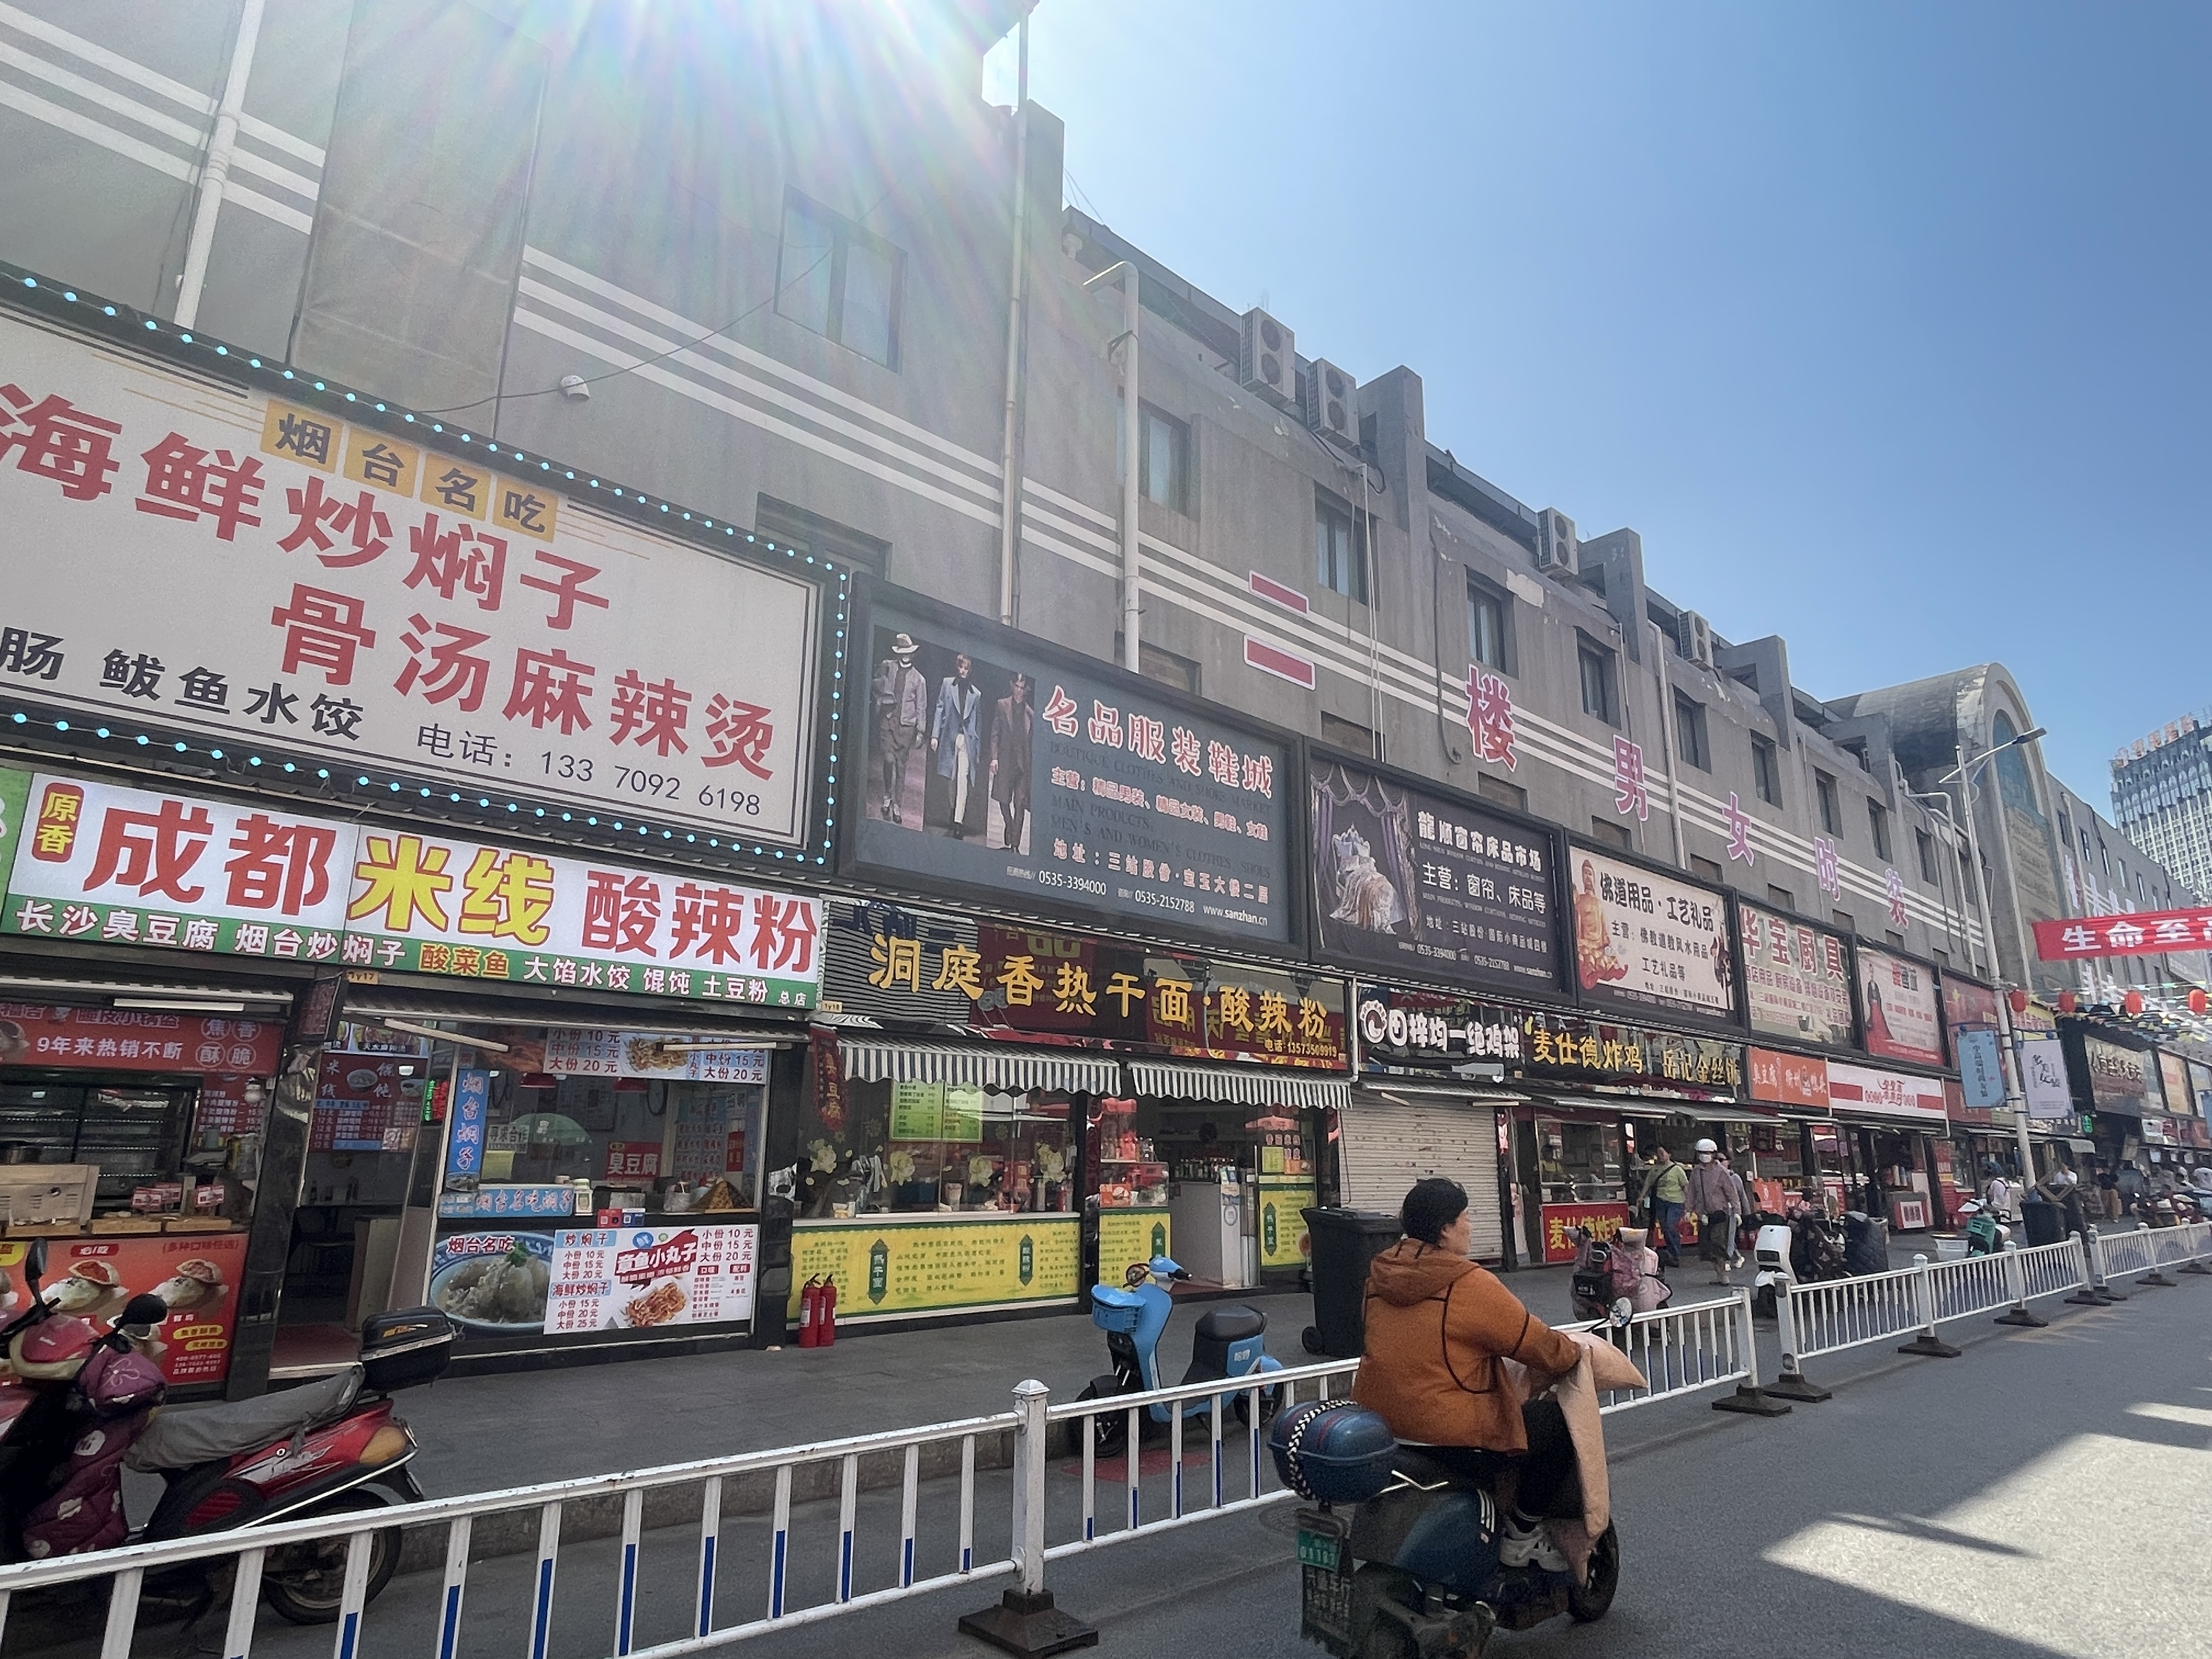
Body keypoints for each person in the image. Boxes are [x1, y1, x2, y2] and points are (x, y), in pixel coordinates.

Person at [1355, 1178, 1584, 1572]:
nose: (1470, 1226)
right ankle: (1522, 1534)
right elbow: (1535, 1342)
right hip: (1450, 1439)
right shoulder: (1468, 1283)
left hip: (1380, 1429)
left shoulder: (1378, 1277)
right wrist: (1576, 1353)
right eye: (1465, 1218)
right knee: (1556, 1425)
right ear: (1446, 1229)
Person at [926, 654, 987, 839]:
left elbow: (977, 723)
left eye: (966, 669)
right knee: (950, 779)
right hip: (949, 738)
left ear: (970, 671)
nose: (963, 671)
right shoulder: (947, 684)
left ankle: (958, 822)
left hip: (967, 741)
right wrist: (935, 735)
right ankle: (954, 811)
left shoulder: (976, 694)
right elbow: (939, 709)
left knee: (963, 779)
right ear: (957, 667)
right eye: (961, 667)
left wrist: (977, 749)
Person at [871, 633, 928, 823]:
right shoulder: (889, 668)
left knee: (901, 767)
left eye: (909, 652)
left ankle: (898, 805)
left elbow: (921, 706)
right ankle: (887, 796)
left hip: (906, 728)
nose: (906, 655)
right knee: (888, 760)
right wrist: (879, 702)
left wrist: (921, 731)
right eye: (903, 651)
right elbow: (876, 684)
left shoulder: (919, 679)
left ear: (913, 654)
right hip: (888, 722)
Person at [1684, 1139, 1740, 1285]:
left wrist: (1737, 1212)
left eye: (1708, 1153)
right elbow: (1692, 1192)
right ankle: (1718, 1274)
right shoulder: (1696, 1172)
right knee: (1707, 1247)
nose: (1705, 1156)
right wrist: (1688, 1210)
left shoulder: (1721, 1172)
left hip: (1720, 1213)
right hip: (1703, 1215)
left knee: (1719, 1245)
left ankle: (1723, 1274)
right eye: (1702, 1153)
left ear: (1714, 1154)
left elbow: (1732, 1193)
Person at [989, 672, 1034, 852]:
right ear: (1012, 686)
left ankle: (1015, 845)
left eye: (1022, 688)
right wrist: (994, 758)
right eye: (1017, 687)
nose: (1019, 691)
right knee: (1003, 800)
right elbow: (995, 733)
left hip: (1023, 765)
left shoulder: (1030, 714)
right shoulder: (1002, 705)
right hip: (1006, 761)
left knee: (1020, 804)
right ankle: (1009, 823)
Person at [1638, 1144, 1689, 1268]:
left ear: (1669, 1154)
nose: (1661, 1155)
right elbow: (1648, 1184)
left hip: (1675, 1202)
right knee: (1665, 1228)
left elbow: (1685, 1187)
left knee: (1671, 1226)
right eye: (1659, 1153)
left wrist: (1689, 1204)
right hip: (1660, 1201)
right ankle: (1672, 1254)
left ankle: (1676, 1254)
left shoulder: (1677, 1169)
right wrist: (1641, 1197)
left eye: (1663, 1153)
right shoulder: (1655, 1170)